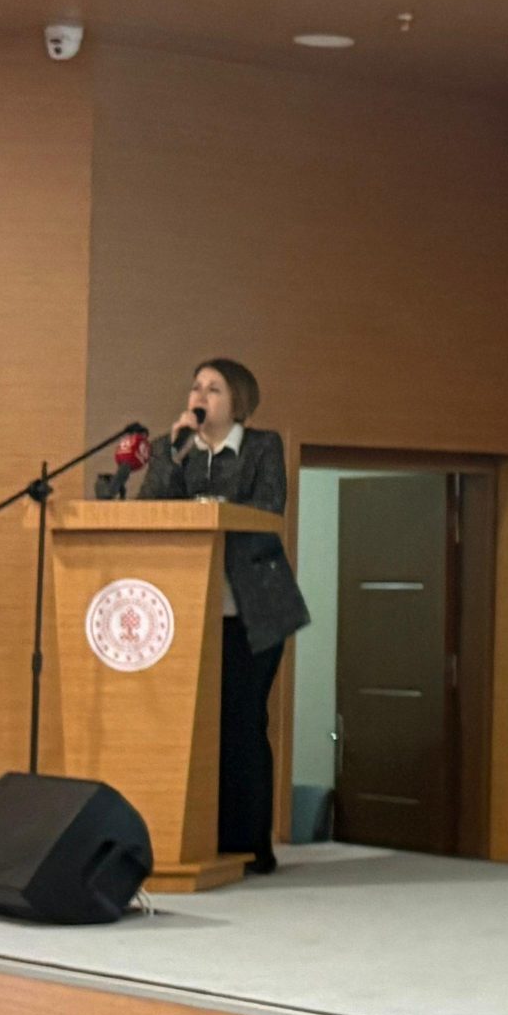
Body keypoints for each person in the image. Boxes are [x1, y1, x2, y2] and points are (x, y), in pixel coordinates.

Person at [136, 358, 310, 875]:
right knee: (197, 726)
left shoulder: (262, 447)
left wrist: (209, 507)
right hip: (192, 611)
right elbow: (150, 507)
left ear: (238, 401)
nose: (201, 395)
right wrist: (171, 454)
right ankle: (202, 838)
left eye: (214, 388)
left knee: (243, 722)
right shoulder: (177, 450)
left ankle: (251, 844)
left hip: (253, 608)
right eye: (196, 387)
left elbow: (268, 508)